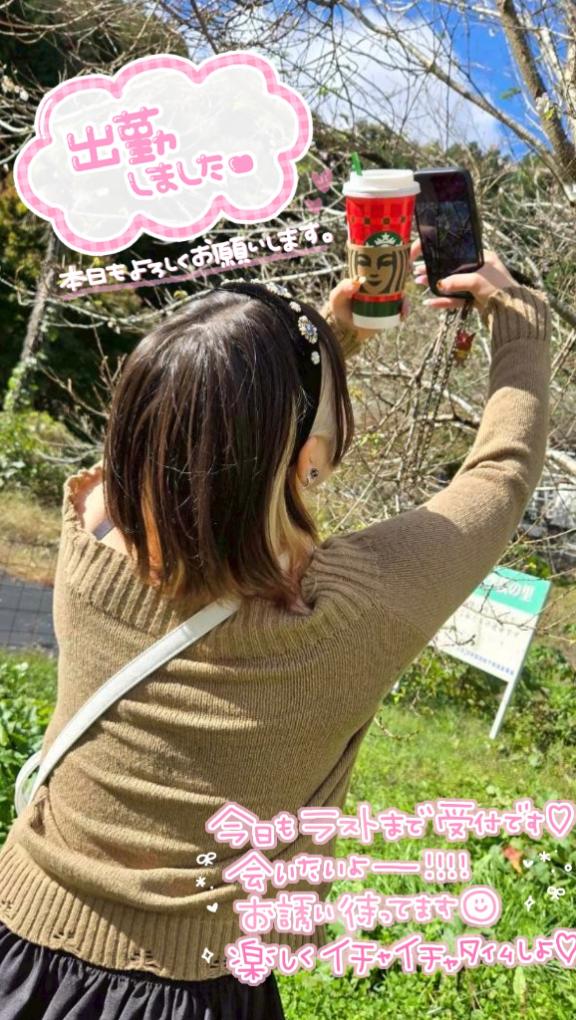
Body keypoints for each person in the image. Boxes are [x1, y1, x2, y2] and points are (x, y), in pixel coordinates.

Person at [0, 239, 551, 1018]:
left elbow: (186, 434)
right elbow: (500, 473)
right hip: (199, 991)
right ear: (309, 459)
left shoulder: (89, 536)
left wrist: (324, 338)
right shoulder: (349, 614)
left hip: (18, 941)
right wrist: (519, 317)